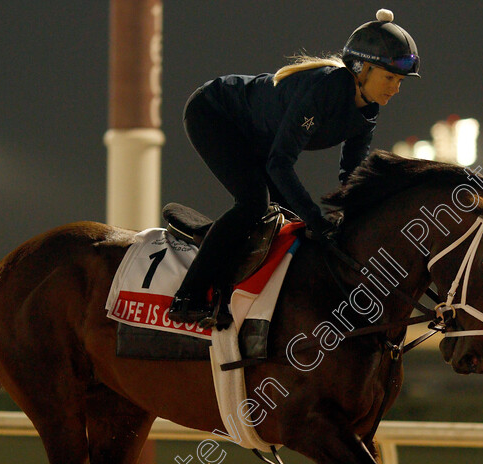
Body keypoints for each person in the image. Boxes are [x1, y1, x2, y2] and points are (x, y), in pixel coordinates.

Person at [169, 8, 420, 323]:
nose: (395, 88)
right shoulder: (323, 89)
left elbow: (352, 176)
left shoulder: (368, 112)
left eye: (400, 80)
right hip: (213, 113)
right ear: (362, 68)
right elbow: (279, 164)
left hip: (257, 136)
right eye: (390, 77)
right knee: (253, 203)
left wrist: (358, 217)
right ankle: (188, 296)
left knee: (291, 220)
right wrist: (317, 218)